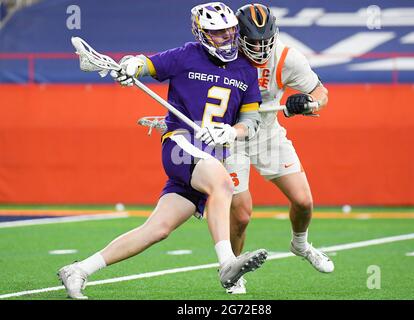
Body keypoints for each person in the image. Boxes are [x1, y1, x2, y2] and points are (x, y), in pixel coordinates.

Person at [57, 2, 267, 299]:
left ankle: (78, 270)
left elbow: (251, 121)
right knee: (223, 184)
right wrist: (131, 66)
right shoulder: (186, 55)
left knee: (157, 229)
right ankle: (227, 264)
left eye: (230, 30)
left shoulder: (245, 69)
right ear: (202, 33)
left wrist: (232, 131)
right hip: (181, 143)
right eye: (218, 32)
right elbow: (146, 64)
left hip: (210, 155)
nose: (227, 37)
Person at [224, 3, 334, 294]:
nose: (260, 47)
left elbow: (321, 94)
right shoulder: (223, 55)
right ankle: (234, 272)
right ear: (237, 36)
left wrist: (307, 103)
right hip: (232, 138)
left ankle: (300, 244)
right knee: (242, 214)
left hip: (268, 135)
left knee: (304, 201)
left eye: (264, 40)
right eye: (253, 41)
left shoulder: (286, 56)